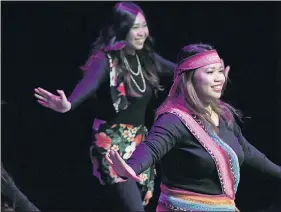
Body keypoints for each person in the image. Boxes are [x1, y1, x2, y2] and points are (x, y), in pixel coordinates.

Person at [105, 43, 281, 211]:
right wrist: (130, 167)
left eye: (220, 71)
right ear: (190, 79)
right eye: (210, 72)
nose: (219, 78)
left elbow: (246, 150)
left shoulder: (223, 115)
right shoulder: (173, 120)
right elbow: (151, 147)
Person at [33, 2, 176, 211]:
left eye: (143, 26)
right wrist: (68, 105)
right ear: (121, 29)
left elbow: (180, 71)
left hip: (139, 144)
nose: (142, 33)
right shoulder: (106, 60)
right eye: (135, 27)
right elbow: (87, 85)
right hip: (111, 146)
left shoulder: (146, 58)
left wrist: (206, 71)